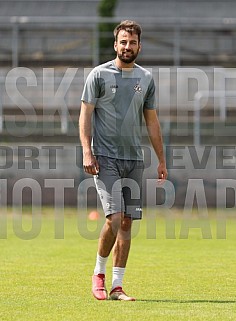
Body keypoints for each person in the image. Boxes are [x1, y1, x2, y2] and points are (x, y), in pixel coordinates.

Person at [79, 20, 168, 301]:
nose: (127, 47)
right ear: (115, 44)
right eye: (123, 42)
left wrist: (161, 160)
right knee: (115, 218)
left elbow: (152, 122)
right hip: (105, 158)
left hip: (134, 160)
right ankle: (99, 274)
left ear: (139, 46)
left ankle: (117, 286)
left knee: (127, 223)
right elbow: (85, 116)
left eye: (132, 42)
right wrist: (86, 151)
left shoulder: (146, 79)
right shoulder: (98, 75)